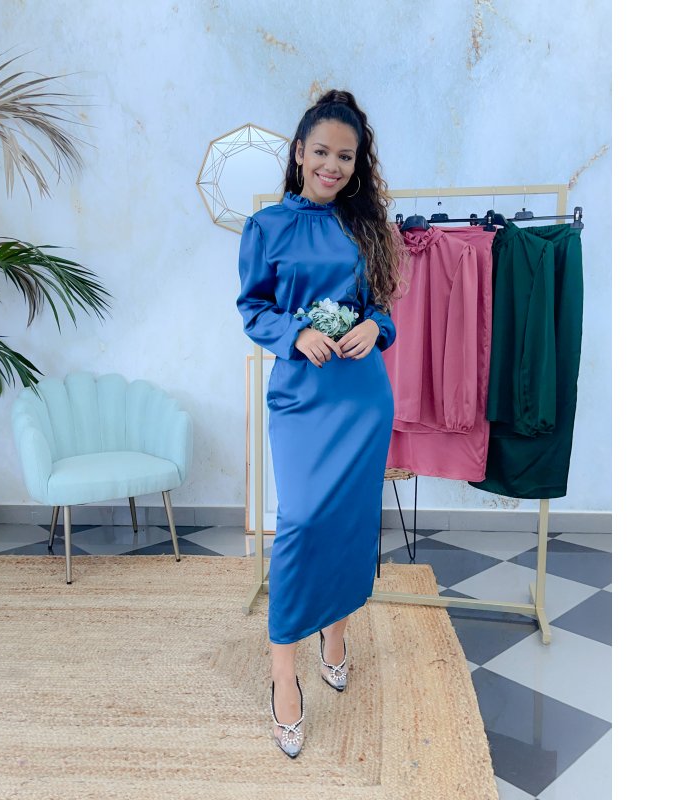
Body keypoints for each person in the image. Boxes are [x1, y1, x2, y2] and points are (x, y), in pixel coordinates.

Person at [236, 89, 406, 758]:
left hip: (361, 397)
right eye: (323, 152)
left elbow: (382, 309)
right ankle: (284, 674)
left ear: (358, 164)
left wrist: (374, 328)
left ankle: (335, 632)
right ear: (299, 152)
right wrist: (294, 333)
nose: (333, 166)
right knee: (302, 522)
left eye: (347, 156)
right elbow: (253, 309)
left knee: (347, 521)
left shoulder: (367, 227)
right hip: (301, 396)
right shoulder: (266, 227)